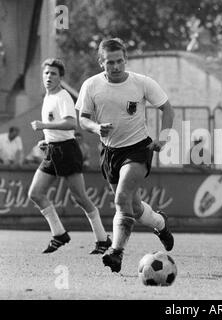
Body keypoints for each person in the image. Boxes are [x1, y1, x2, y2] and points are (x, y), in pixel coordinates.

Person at [75, 38, 175, 273]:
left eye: (120, 61)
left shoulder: (141, 83)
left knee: (121, 198)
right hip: (109, 152)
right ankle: (160, 222)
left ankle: (116, 252)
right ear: (101, 63)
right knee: (133, 206)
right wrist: (96, 128)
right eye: (110, 62)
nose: (116, 66)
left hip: (138, 149)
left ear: (126, 59)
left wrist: (164, 137)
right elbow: (83, 119)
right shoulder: (91, 85)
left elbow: (167, 109)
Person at [28, 58, 111, 254]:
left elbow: (71, 124)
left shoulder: (63, 96)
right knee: (35, 194)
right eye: (46, 73)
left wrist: (43, 125)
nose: (49, 76)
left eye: (53, 74)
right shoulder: (47, 97)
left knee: (80, 197)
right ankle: (59, 234)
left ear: (60, 77)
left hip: (66, 150)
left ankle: (102, 239)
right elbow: (59, 128)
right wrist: (46, 140)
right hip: (53, 150)